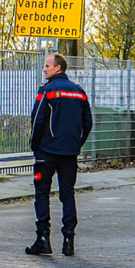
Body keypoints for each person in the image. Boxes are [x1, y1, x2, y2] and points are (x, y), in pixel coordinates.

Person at [25, 53, 93, 257]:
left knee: (42, 193)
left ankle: (43, 239)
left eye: (47, 66)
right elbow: (88, 123)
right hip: (69, 153)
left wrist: (35, 146)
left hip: (47, 151)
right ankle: (68, 241)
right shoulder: (80, 92)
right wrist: (76, 144)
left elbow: (36, 120)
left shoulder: (47, 91)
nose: (44, 69)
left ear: (58, 68)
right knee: (67, 194)